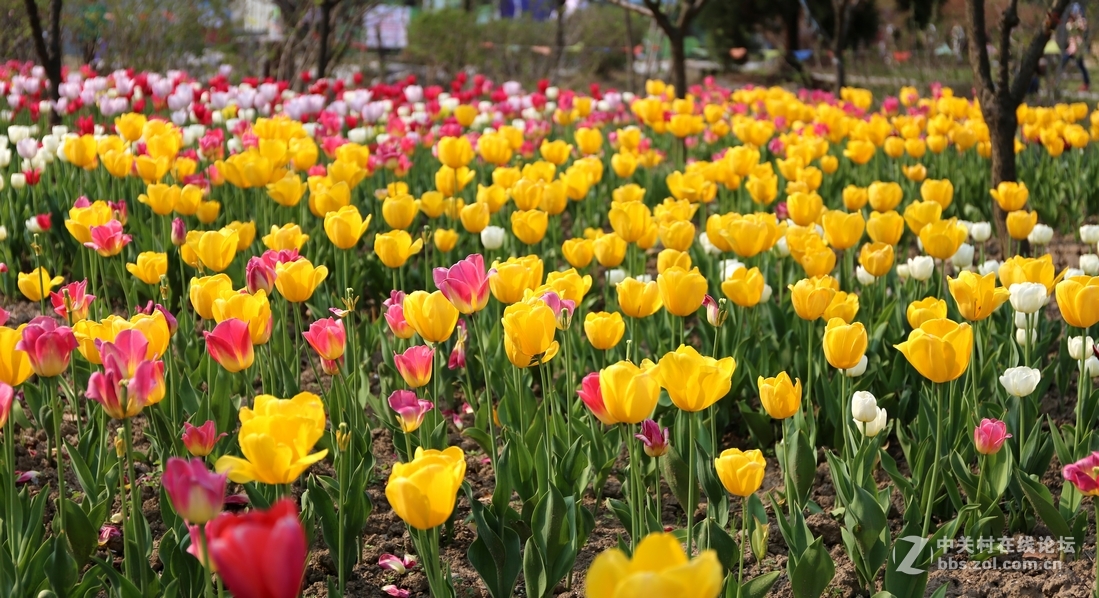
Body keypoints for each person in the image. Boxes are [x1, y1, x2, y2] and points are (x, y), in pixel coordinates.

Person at [1063, 4, 1090, 91]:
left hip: (1077, 48)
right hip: (1072, 47)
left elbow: (1083, 28)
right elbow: (1069, 27)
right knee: (1064, 61)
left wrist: (1078, 20)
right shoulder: (1070, 22)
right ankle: (1056, 79)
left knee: (1080, 65)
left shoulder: (1081, 21)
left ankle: (1086, 83)